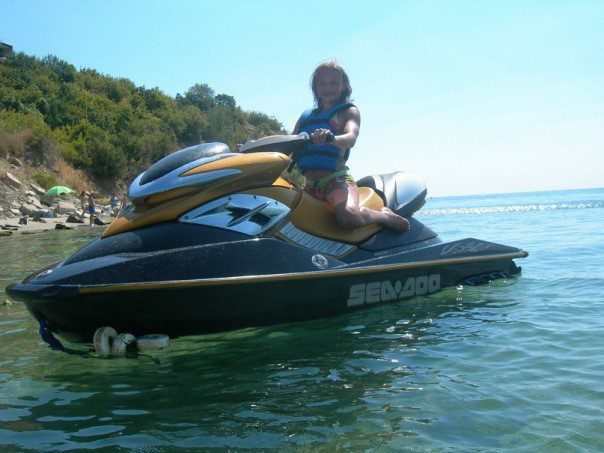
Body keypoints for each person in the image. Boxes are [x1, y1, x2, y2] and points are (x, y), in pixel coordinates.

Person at [291, 61, 409, 232]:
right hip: (308, 184)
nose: (327, 87)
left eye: (334, 82)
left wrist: (331, 138)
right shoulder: (306, 116)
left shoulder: (348, 112)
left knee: (348, 217)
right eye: (322, 83)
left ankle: (384, 216)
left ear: (344, 85)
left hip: (335, 181)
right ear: (315, 86)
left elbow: (350, 137)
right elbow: (290, 140)